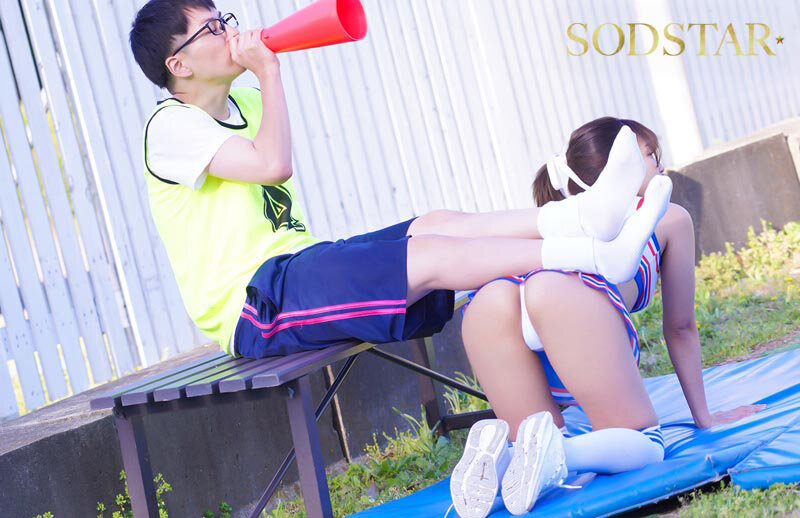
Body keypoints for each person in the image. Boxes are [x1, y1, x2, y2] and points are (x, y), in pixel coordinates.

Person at [129, 0, 666, 365]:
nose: (229, 32)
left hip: (298, 265)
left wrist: (264, 79)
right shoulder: (169, 126)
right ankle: (597, 256)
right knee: (429, 254)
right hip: (254, 305)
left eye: (225, 19)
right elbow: (272, 166)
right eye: (212, 29)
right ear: (179, 64)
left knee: (434, 225)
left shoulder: (246, 102)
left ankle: (581, 217)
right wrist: (268, 71)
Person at [448, 117, 766, 518]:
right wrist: (704, 417)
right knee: (643, 444)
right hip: (562, 294)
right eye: (649, 155)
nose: (660, 164)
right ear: (622, 166)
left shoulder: (553, 218)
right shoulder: (667, 216)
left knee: (533, 449)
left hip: (490, 303)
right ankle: (559, 451)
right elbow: (680, 327)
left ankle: (501, 457)